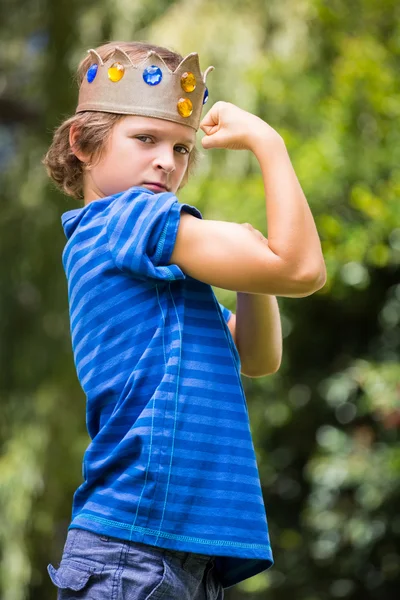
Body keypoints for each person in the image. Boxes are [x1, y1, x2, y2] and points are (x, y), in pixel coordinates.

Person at [43, 40, 326, 600]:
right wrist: (268, 144)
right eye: (145, 139)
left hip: (173, 555)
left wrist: (251, 271)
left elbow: (257, 357)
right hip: (135, 553)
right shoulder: (128, 219)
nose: (167, 162)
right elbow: (301, 269)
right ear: (82, 143)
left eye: (182, 148)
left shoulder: (148, 265)